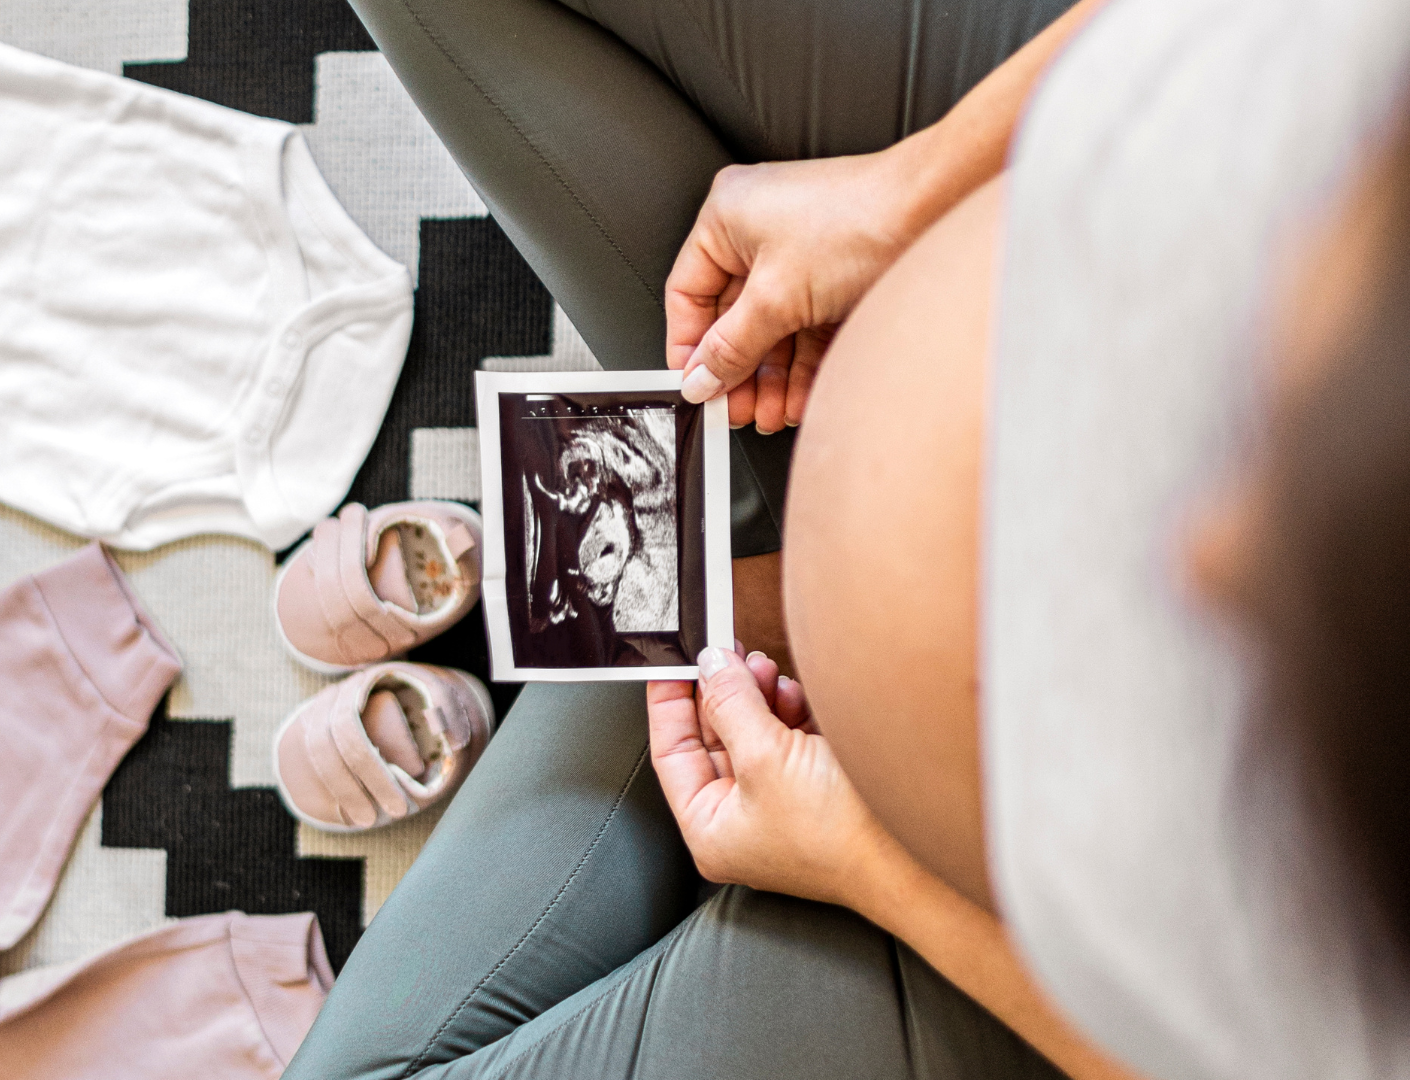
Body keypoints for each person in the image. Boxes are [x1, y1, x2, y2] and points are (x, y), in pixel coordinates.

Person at [280, 0, 1140, 1077]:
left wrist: (869, 867)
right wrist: (910, 190)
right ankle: (713, 561)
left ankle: (684, 578)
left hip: (1077, 934)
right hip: (1149, 239)